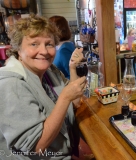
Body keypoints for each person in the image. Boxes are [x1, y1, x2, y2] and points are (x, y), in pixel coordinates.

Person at [0, 14, 88, 159]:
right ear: (18, 49)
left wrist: (72, 68)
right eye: (34, 44)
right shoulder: (11, 84)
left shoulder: (49, 71)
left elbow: (75, 103)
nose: (44, 51)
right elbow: (36, 147)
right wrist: (64, 98)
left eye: (49, 44)